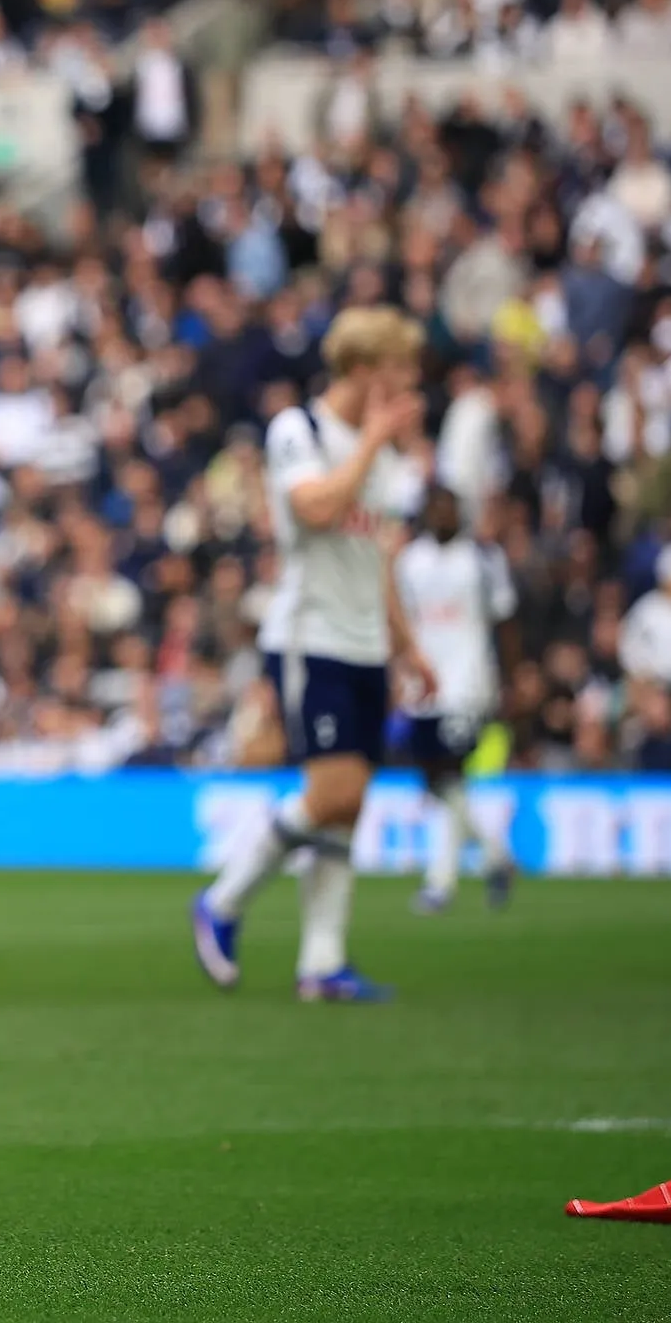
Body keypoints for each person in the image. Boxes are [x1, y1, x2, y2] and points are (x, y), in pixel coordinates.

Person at [192, 304, 432, 1003]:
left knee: (346, 810)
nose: (409, 386)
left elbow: (376, 553)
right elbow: (316, 511)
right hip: (309, 637)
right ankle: (223, 902)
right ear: (362, 370)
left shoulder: (379, 453)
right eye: (398, 371)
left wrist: (407, 643)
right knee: (336, 792)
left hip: (364, 643)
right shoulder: (299, 430)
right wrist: (374, 443)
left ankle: (322, 963)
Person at [393, 484, 519, 914]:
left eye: (449, 507)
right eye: (435, 508)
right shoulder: (411, 561)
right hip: (424, 685)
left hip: (468, 681)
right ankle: (497, 857)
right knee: (438, 781)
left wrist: (510, 680)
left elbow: (504, 622)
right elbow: (403, 623)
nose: (442, 515)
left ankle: (440, 883)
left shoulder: (483, 559)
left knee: (449, 771)